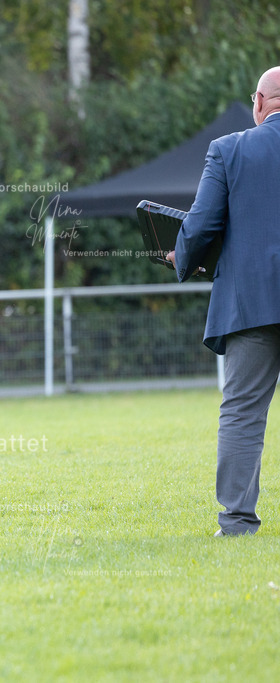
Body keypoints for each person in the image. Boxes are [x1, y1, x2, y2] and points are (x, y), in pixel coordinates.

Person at [168, 67, 280, 536]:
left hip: (251, 304)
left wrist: (183, 258)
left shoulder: (230, 149)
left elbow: (200, 226)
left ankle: (236, 522)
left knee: (242, 412)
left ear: (259, 102)